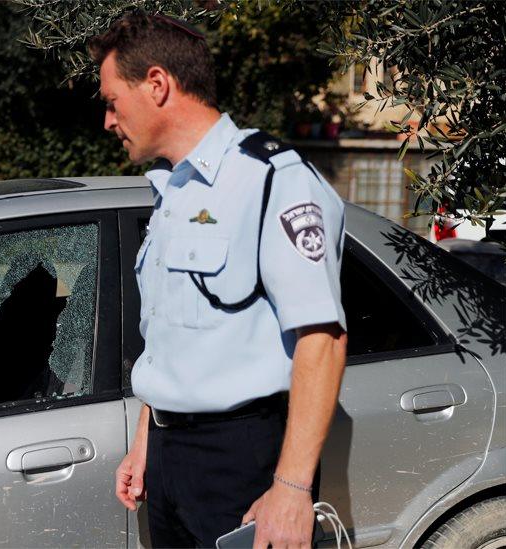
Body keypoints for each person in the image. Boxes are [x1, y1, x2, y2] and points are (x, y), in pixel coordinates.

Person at [91, 12, 348, 548]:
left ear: (158, 84)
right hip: (169, 459)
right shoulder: (173, 190)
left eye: (112, 101)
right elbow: (174, 336)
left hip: (242, 459)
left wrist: (291, 487)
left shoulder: (272, 178)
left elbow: (322, 340)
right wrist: (146, 435)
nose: (108, 121)